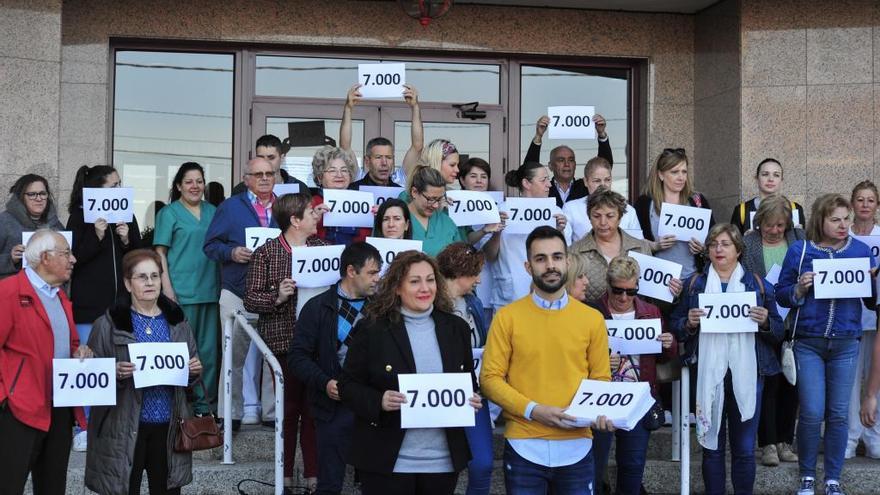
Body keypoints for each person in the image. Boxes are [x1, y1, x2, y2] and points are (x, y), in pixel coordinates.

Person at [481, 226, 613, 494]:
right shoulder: (507, 317)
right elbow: (490, 379)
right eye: (541, 259)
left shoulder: (592, 319)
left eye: (556, 257)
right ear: (528, 267)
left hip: (577, 447)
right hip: (524, 446)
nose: (550, 265)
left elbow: (601, 380)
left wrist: (600, 413)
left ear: (567, 261)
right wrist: (534, 409)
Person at [338, 251, 482, 495]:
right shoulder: (372, 329)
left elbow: (468, 381)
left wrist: (472, 397)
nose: (424, 288)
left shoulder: (456, 328)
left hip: (443, 463)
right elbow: (347, 386)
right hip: (388, 462)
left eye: (430, 279)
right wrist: (379, 401)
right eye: (414, 281)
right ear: (397, 287)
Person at [776, 193, 877, 495]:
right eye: (836, 219)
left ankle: (833, 479)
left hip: (846, 343)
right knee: (810, 411)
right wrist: (799, 287)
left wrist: (873, 281)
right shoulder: (800, 250)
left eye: (846, 219)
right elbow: (781, 295)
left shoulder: (860, 250)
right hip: (808, 342)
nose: (843, 224)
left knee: (837, 413)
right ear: (820, 219)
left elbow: (871, 303)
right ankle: (807, 476)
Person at [671, 223, 783, 495]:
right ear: (707, 251)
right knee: (711, 447)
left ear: (738, 250)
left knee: (745, 450)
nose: (718, 249)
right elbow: (675, 327)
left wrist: (766, 321)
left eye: (725, 244)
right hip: (708, 374)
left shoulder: (757, 283)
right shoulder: (694, 284)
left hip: (747, 375)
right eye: (713, 244)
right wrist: (688, 322)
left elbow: (779, 331)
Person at [85, 249, 202, 495]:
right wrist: (112, 372)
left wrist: (193, 371)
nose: (150, 282)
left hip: (169, 429)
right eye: (142, 277)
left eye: (155, 276)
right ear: (128, 283)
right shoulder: (108, 324)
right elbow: (91, 381)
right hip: (124, 429)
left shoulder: (178, 322)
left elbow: (191, 373)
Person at [243, 192, 327, 492]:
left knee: (314, 411)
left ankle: (315, 475)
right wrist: (278, 296)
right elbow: (250, 298)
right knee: (289, 410)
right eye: (311, 212)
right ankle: (286, 475)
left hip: (319, 343)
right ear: (294, 220)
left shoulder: (323, 247)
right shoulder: (266, 252)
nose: (317, 216)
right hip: (283, 341)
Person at [289, 242, 383, 495]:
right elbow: (298, 357)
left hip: (373, 407)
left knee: (377, 483)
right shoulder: (317, 307)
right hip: (332, 408)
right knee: (329, 483)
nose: (377, 279)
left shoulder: (384, 309)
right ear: (351, 271)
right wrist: (324, 383)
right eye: (372, 273)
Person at [0, 230, 90, 495]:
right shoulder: (9, 292)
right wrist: (6, 394)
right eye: (66, 253)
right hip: (19, 410)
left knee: (53, 487)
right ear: (45, 258)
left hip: (58, 409)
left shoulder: (60, 296)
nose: (73, 259)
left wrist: (80, 352)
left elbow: (70, 344)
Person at [67, 165, 142, 450]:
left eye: (120, 184)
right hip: (89, 306)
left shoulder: (126, 215)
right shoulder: (79, 216)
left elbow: (138, 254)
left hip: (121, 306)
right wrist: (97, 236)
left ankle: (114, 422)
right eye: (114, 185)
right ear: (98, 191)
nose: (119, 189)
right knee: (89, 363)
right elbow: (73, 259)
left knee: (118, 364)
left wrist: (125, 238)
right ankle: (83, 425)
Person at [590, 255, 677, 495]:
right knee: (595, 466)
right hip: (601, 399)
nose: (624, 297)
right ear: (608, 285)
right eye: (618, 291)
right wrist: (600, 361)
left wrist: (669, 344)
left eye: (631, 291)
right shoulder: (592, 312)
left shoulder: (651, 312)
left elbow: (664, 358)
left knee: (633, 465)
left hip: (638, 400)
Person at [203, 157, 278, 430]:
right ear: (246, 178)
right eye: (258, 174)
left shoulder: (283, 207)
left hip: (273, 293)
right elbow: (210, 246)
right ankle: (230, 414)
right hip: (237, 290)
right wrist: (232, 252)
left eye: (269, 173)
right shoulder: (230, 207)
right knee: (233, 355)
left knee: (274, 354)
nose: (264, 178)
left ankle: (272, 412)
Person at [739, 194, 803, 467]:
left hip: (794, 321)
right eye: (769, 225)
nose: (775, 231)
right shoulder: (748, 242)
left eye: (780, 225)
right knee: (769, 383)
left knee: (792, 383)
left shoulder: (799, 239)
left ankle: (785, 441)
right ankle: (767, 444)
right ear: (759, 221)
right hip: (762, 322)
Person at [153, 162, 220, 416]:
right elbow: (160, 252)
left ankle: (206, 407)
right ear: (179, 185)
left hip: (210, 291)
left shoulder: (213, 211)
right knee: (180, 354)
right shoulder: (169, 213)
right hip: (180, 293)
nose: (195, 186)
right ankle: (179, 406)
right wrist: (167, 289)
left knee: (209, 355)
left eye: (199, 181)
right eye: (189, 181)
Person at [437, 242, 492, 495]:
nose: (479, 280)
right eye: (475, 273)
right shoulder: (430, 304)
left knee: (482, 464)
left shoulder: (474, 303)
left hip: (472, 395)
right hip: (438, 395)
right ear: (460, 272)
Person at [484, 162, 570, 310]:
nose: (549, 185)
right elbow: (489, 256)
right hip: (509, 297)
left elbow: (565, 256)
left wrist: (560, 231)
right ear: (526, 183)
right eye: (543, 180)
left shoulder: (556, 213)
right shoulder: (501, 212)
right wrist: (497, 231)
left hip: (547, 296)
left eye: (548, 180)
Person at [571, 189, 669, 303]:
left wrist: (670, 291)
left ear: (620, 217)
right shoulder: (575, 251)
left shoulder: (641, 248)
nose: (603, 222)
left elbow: (652, 299)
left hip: (633, 320)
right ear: (589, 217)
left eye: (610, 216)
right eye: (597, 216)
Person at [634, 148, 714, 280]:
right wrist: (655, 246)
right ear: (660, 175)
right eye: (674, 172)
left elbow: (714, 238)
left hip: (692, 282)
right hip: (657, 285)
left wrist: (703, 248)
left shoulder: (697, 201)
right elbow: (632, 242)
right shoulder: (644, 203)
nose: (681, 177)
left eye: (684, 172)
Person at [848, 180, 880, 459]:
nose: (865, 205)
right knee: (849, 380)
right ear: (852, 204)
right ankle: (848, 438)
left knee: (875, 378)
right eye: (860, 200)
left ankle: (874, 437)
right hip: (849, 317)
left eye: (870, 200)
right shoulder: (842, 236)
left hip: (876, 315)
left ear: (877, 205)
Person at [523, 114, 614, 207]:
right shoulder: (544, 187)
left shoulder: (586, 186)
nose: (567, 164)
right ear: (550, 166)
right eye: (561, 160)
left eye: (571, 160)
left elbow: (604, 166)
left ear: (575, 164)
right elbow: (529, 172)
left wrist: (601, 134)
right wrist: (538, 136)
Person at [342, 84, 423, 187]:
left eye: (388, 157)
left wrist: (415, 107)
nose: (384, 163)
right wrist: (348, 108)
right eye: (378, 157)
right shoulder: (359, 181)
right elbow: (345, 147)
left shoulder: (398, 182)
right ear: (367, 161)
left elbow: (417, 146)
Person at [458, 157, 504, 323]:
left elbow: (493, 254)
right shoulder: (451, 207)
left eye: (483, 176)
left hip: (490, 285)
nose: (479, 181)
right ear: (462, 180)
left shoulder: (499, 209)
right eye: (473, 176)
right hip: (460, 286)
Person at [562, 156, 642, 243]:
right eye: (597, 181)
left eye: (607, 180)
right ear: (585, 181)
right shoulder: (571, 208)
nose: (603, 185)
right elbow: (565, 246)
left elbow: (638, 246)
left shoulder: (628, 210)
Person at [0, 174, 65, 278]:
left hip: (47, 290)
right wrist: (10, 259)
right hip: (13, 290)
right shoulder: (4, 221)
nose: (38, 198)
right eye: (32, 194)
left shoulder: (55, 223)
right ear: (21, 196)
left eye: (42, 194)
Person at [309, 146, 369, 245]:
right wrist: (313, 221)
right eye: (332, 170)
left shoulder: (361, 202)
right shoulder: (311, 204)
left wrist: (378, 217)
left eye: (344, 170)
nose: (339, 175)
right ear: (320, 177)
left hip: (357, 257)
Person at [729, 158, 805, 234]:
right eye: (765, 174)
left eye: (776, 175)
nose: (771, 179)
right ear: (756, 178)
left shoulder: (795, 208)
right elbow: (734, 243)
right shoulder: (742, 210)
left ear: (782, 180)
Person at [405, 166, 465, 256]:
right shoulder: (396, 220)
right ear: (414, 192)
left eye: (439, 199)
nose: (436, 205)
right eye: (431, 199)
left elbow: (460, 258)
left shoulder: (447, 222)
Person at [231, 134, 309, 195]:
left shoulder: (300, 189)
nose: (265, 162)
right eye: (261, 157)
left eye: (271, 158)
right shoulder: (242, 190)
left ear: (282, 158)